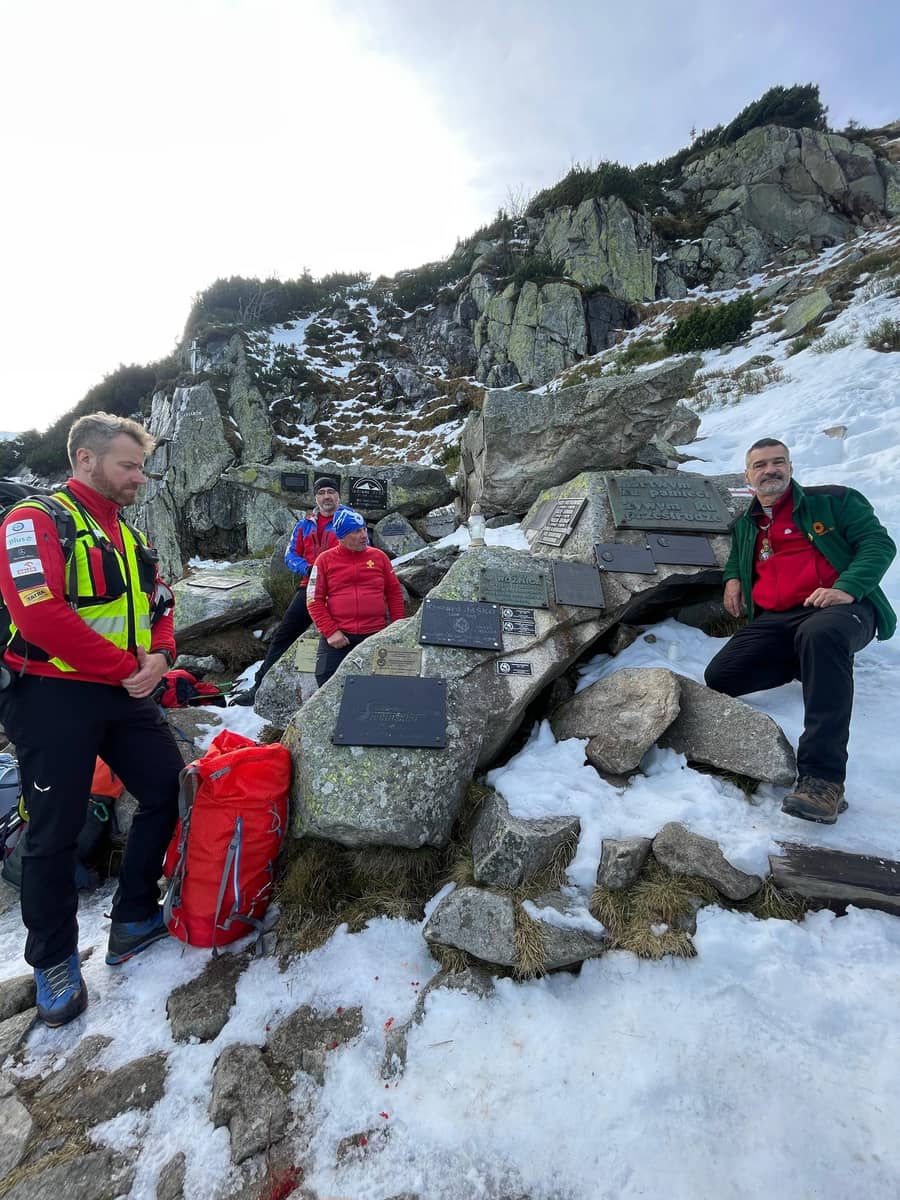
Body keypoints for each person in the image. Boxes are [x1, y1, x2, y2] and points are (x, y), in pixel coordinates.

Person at [0, 413, 183, 1027]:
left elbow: (162, 602)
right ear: (85, 458)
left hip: (124, 692)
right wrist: (127, 668)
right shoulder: (33, 520)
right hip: (51, 696)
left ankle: (134, 916)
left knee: (167, 787)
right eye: (129, 466)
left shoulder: (128, 535)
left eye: (142, 467)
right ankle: (53, 959)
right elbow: (39, 616)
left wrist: (161, 657)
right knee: (53, 829)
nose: (140, 478)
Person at [704, 437, 896, 824]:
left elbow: (878, 544)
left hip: (841, 608)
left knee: (820, 635)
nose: (770, 470)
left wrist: (847, 588)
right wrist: (733, 579)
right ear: (747, 476)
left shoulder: (834, 501)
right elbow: (739, 558)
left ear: (790, 468)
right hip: (779, 618)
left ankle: (823, 781)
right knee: (722, 676)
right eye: (760, 465)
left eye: (778, 462)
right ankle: (816, 662)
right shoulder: (748, 522)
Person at [230, 476, 348, 705]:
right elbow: (290, 555)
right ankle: (259, 686)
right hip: (310, 587)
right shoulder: (304, 525)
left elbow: (361, 550)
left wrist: (330, 569)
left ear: (338, 495)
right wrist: (308, 568)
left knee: (344, 635)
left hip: (340, 587)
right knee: (284, 634)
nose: (326, 496)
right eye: (321, 492)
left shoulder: (349, 520)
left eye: (330, 492)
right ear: (315, 497)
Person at [306, 507, 405, 686]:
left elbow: (394, 593)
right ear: (342, 536)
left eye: (364, 529)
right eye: (357, 531)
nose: (364, 535)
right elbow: (313, 599)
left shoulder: (379, 557)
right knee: (325, 680)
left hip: (376, 634)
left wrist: (397, 628)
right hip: (339, 637)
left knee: (383, 687)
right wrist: (330, 631)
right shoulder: (324, 560)